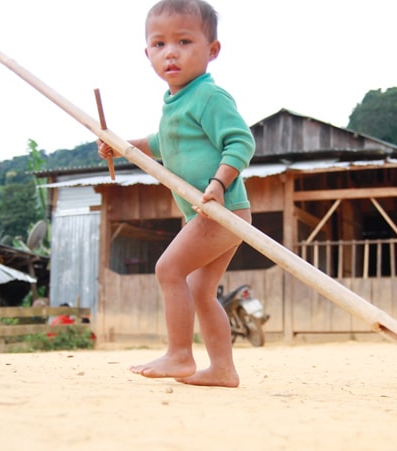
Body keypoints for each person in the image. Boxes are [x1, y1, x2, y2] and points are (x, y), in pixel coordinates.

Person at [97, 0, 254, 388]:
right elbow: (162, 142)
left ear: (212, 50)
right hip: (209, 213)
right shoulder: (175, 103)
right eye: (159, 44)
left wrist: (216, 187)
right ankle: (223, 370)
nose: (171, 52)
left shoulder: (208, 96)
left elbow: (240, 142)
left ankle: (180, 355)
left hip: (220, 210)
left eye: (184, 41)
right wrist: (121, 145)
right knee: (201, 290)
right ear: (147, 53)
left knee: (169, 269)